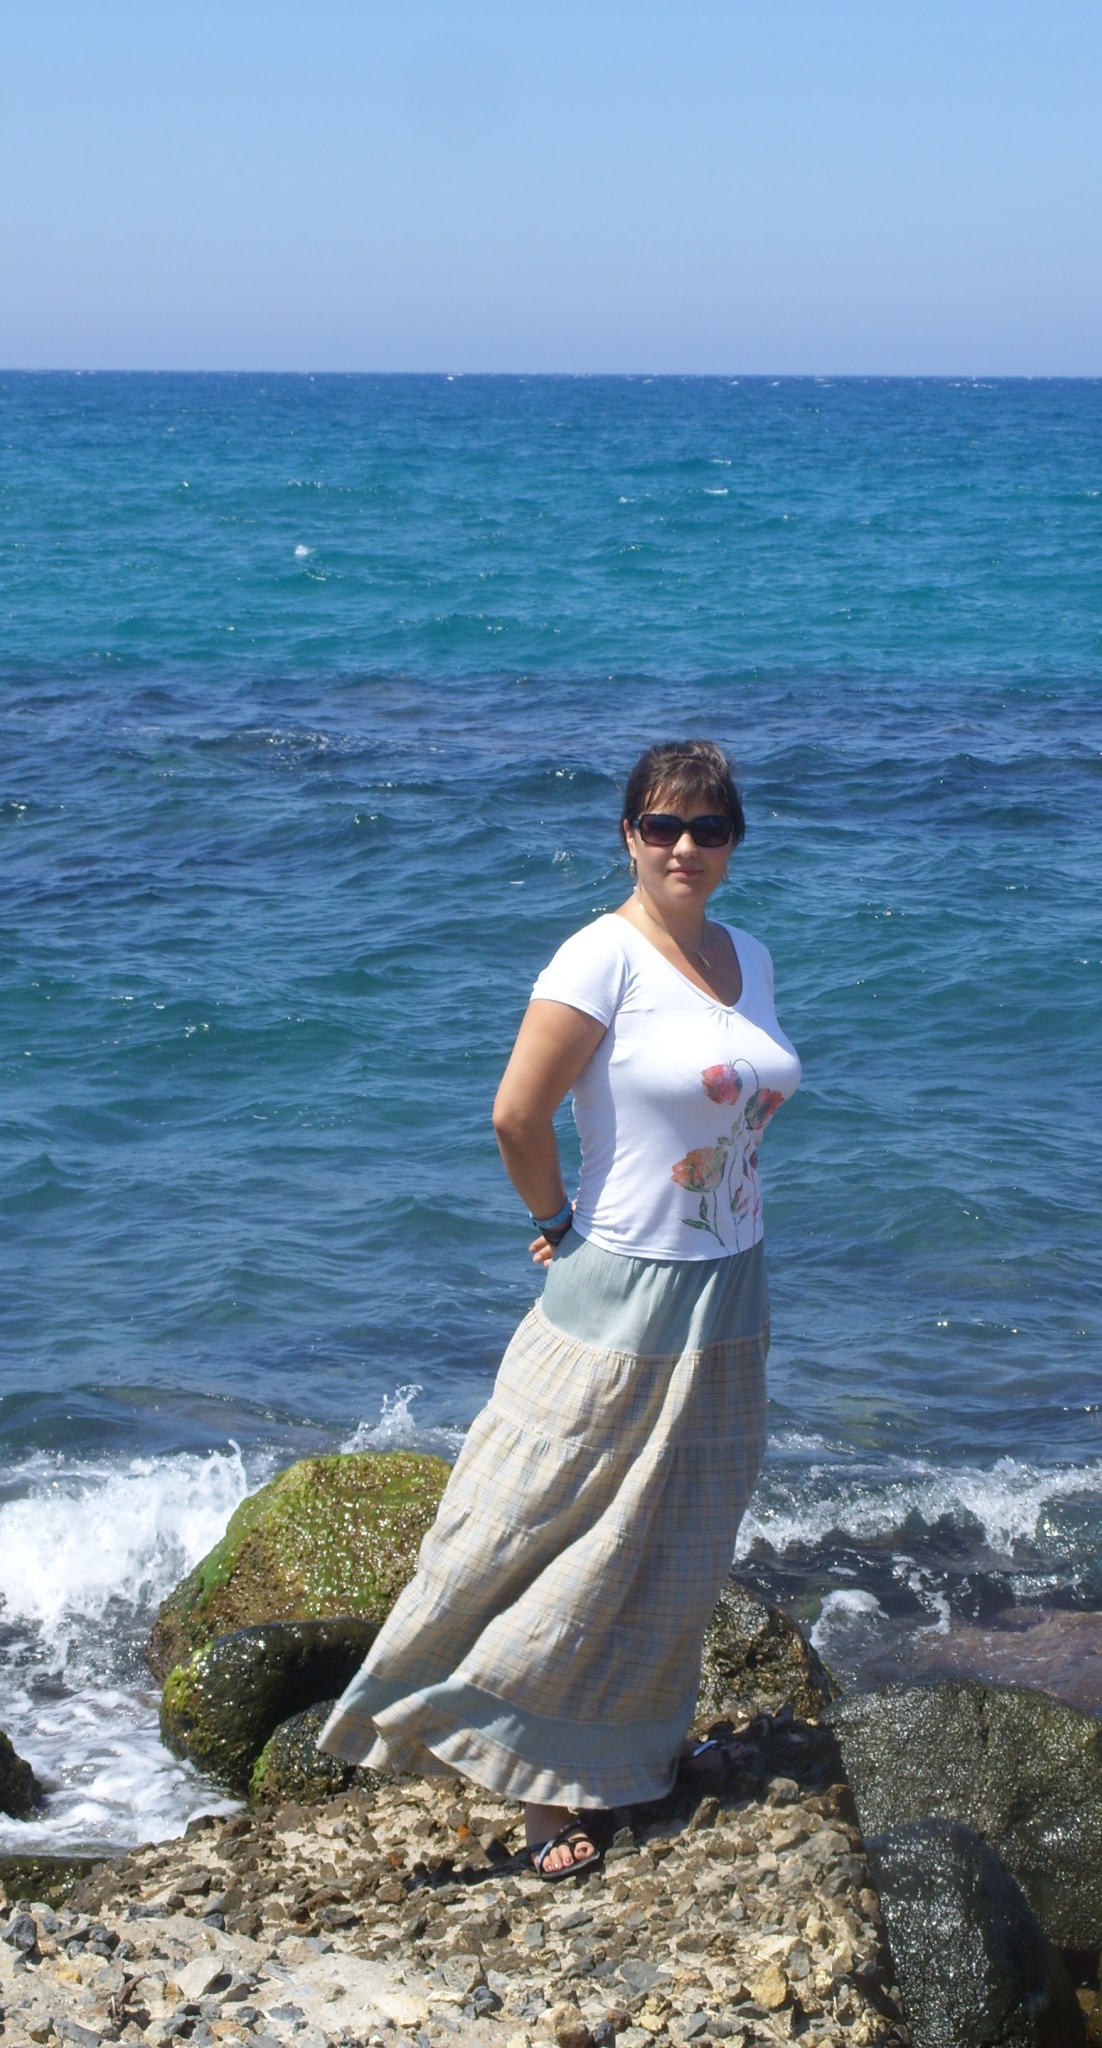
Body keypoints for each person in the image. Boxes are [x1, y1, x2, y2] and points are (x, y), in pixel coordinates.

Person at [319, 739, 801, 1878]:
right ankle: (533, 1788)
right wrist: (558, 1218)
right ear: (629, 836)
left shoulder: (749, 955)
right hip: (623, 1279)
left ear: (734, 841)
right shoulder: (600, 956)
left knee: (677, 1538)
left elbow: (739, 1113)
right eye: (662, 826)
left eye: (709, 827)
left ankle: (633, 1755)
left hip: (732, 1280)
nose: (684, 847)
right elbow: (516, 1113)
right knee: (544, 1526)